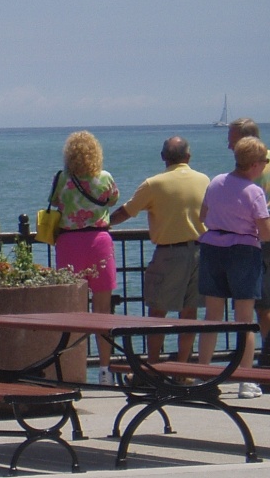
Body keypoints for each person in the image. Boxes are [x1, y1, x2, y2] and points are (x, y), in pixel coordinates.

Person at [109, 136, 209, 364]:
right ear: (188, 156)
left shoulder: (154, 184)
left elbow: (126, 212)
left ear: (163, 157)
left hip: (169, 253)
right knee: (189, 315)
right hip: (200, 253)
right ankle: (183, 369)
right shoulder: (204, 180)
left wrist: (103, 223)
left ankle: (153, 367)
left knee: (157, 314)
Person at [197, 136, 270, 399]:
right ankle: (246, 380)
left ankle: (204, 375)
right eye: (263, 161)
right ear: (254, 164)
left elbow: (202, 216)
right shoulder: (254, 191)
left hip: (212, 247)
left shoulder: (216, 181)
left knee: (211, 318)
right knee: (245, 319)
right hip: (243, 251)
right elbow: (265, 232)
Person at [51, 131, 120, 385]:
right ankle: (105, 370)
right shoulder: (104, 178)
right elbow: (113, 199)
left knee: (72, 308)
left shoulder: (62, 179)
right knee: (102, 310)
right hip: (99, 242)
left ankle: (71, 368)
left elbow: (55, 203)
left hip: (69, 243)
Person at [227, 118, 270, 368]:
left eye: (232, 141)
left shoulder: (255, 170)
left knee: (262, 304)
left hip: (260, 241)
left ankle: (265, 360)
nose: (229, 146)